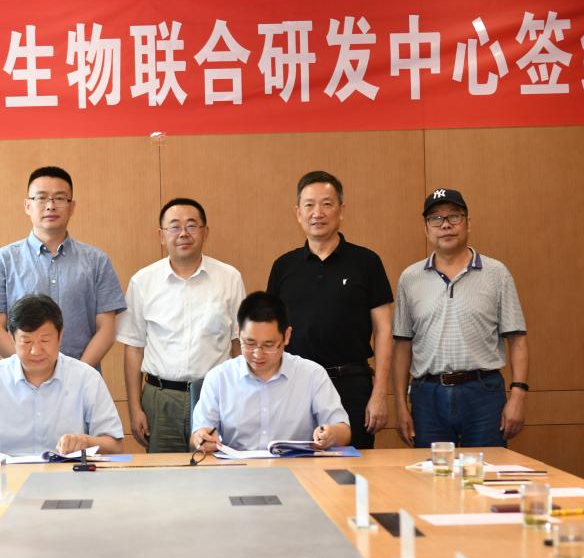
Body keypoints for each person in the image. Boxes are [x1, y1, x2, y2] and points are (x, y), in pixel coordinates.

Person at [392, 188, 529, 448]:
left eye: (454, 216)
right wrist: (400, 404)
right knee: (431, 472)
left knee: (487, 470)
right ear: (426, 228)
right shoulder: (410, 278)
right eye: (436, 219)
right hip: (427, 396)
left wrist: (518, 395)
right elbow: (402, 346)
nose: (445, 225)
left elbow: (517, 340)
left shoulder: (496, 273)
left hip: (483, 394)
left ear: (468, 223)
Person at [267, 170, 392, 449]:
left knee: (355, 468)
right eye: (309, 205)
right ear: (298, 213)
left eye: (327, 204)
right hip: (295, 385)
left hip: (352, 385)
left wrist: (380, 394)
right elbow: (271, 333)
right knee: (294, 463)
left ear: (341, 210)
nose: (317, 213)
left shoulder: (367, 262)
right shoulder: (283, 266)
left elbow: (384, 331)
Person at [117, 197, 245, 452]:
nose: (183, 233)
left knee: (216, 470)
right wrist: (134, 408)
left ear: (205, 232)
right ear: (161, 235)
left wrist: (241, 398)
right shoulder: (142, 281)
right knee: (165, 474)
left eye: (192, 225)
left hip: (214, 394)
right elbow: (134, 348)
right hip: (160, 398)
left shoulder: (229, 278)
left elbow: (238, 343)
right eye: (174, 227)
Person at [0, 166, 125, 367]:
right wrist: (32, 369)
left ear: (72, 207)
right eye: (41, 198)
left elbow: (106, 330)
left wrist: (75, 375)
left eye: (60, 198)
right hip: (20, 379)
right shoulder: (2, 260)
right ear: (27, 205)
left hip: (81, 379)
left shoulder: (97, 261)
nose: (50, 206)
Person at [0, 294, 124, 459]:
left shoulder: (86, 378)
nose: (36, 351)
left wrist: (86, 442)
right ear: (12, 339)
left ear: (60, 335)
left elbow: (116, 446)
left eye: (45, 340)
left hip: (67, 477)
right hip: (5, 479)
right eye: (26, 341)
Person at [190, 292, 350, 453]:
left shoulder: (312, 374)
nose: (258, 354)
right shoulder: (219, 377)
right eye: (249, 343)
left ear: (286, 336)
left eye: (268, 345)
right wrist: (201, 439)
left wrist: (331, 434)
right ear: (239, 332)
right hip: (237, 466)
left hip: (296, 464)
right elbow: (198, 435)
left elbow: (343, 431)